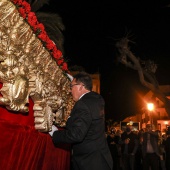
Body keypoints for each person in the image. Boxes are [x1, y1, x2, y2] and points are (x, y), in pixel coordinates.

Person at [49, 71, 113, 170]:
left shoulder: (82, 104)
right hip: (99, 160)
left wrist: (54, 133)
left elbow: (76, 135)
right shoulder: (97, 99)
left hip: (88, 163)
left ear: (81, 86)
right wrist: (73, 81)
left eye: (71, 87)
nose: (70, 91)